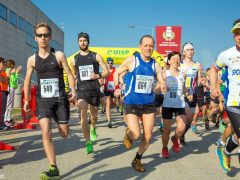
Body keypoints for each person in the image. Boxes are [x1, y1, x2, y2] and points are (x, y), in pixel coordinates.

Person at [23, 22, 76, 180]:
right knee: (45, 131)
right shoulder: (32, 59)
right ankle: (53, 168)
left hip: (60, 100)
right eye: (39, 35)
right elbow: (26, 80)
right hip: (43, 100)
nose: (43, 38)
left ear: (50, 37)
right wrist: (27, 99)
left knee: (64, 133)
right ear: (35, 38)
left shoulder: (58, 55)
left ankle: (62, 123)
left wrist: (73, 90)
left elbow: (69, 73)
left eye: (45, 35)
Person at [115, 35, 165, 172]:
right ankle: (129, 134)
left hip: (148, 103)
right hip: (132, 102)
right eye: (146, 45)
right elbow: (117, 72)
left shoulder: (155, 64)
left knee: (148, 136)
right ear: (140, 46)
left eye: (151, 45)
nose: (148, 48)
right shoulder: (132, 60)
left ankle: (137, 159)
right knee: (136, 134)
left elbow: (161, 78)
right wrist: (117, 87)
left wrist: (162, 84)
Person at [70, 32, 109, 154]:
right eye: (80, 40)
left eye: (84, 40)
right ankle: (88, 142)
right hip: (81, 90)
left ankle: (92, 127)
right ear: (78, 42)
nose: (82, 42)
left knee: (94, 115)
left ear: (88, 42)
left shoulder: (95, 56)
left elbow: (106, 71)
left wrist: (98, 75)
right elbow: (73, 75)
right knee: (82, 113)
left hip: (94, 89)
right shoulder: (74, 59)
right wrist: (73, 89)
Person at [211, 18, 240, 172]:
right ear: (233, 35)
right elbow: (214, 69)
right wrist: (213, 86)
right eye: (237, 33)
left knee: (234, 129)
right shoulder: (227, 55)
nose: (239, 36)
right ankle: (226, 150)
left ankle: (224, 147)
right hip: (233, 101)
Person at [161, 51, 186, 158]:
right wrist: (161, 88)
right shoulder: (164, 73)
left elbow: (184, 89)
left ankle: (175, 138)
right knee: (167, 130)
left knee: (181, 128)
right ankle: (165, 147)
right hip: (167, 105)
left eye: (178, 59)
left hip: (180, 104)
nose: (176, 60)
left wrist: (187, 94)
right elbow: (159, 86)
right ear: (169, 61)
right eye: (173, 59)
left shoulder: (183, 74)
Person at [179, 42, 202, 144]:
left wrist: (203, 82)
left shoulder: (197, 65)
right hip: (182, 94)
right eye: (188, 50)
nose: (190, 52)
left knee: (190, 119)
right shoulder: (180, 65)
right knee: (186, 116)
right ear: (184, 52)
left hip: (193, 94)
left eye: (192, 49)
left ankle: (182, 134)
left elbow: (199, 81)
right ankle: (178, 134)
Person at [4, 59, 22, 129]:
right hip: (10, 88)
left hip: (12, 88)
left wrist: (16, 73)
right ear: (11, 64)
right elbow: (13, 81)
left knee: (10, 105)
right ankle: (6, 120)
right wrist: (16, 73)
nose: (14, 66)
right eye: (13, 64)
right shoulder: (9, 70)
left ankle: (9, 119)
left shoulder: (10, 71)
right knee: (9, 105)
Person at [104, 57, 117, 128]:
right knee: (108, 104)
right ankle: (109, 121)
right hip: (107, 88)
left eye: (111, 62)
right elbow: (102, 76)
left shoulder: (115, 70)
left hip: (114, 89)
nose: (110, 64)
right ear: (107, 63)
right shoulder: (105, 70)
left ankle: (110, 108)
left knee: (114, 103)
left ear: (112, 63)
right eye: (108, 62)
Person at [0, 57, 10, 129]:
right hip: (2, 91)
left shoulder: (3, 71)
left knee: (4, 108)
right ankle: (1, 124)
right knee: (2, 109)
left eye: (4, 62)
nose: (4, 64)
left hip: (5, 90)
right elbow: (2, 81)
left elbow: (7, 82)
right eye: (3, 62)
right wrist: (8, 75)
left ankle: (2, 123)